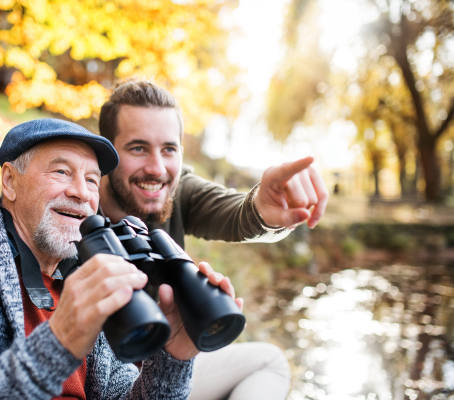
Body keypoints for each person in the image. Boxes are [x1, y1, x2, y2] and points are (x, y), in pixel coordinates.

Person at [0, 118, 242, 399]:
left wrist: (173, 360)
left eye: (92, 180)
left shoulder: (86, 281)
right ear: (9, 182)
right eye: (62, 171)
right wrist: (58, 343)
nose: (81, 193)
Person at [97, 80, 329, 400]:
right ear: (107, 154)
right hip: (95, 378)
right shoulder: (74, 204)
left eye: (169, 149)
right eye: (138, 148)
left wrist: (264, 206)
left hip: (162, 367)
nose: (157, 168)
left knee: (269, 363)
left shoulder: (177, 192)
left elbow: (236, 213)